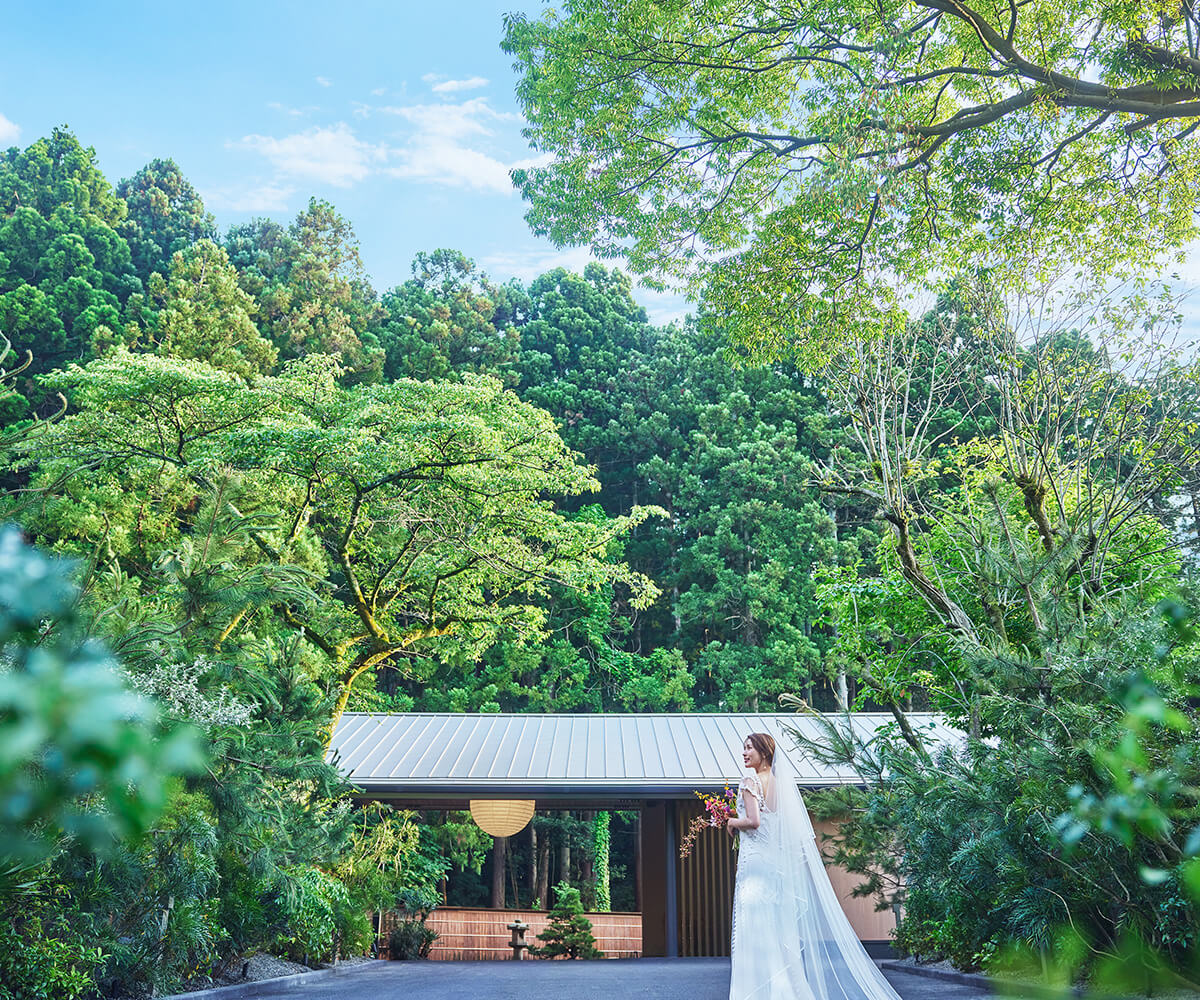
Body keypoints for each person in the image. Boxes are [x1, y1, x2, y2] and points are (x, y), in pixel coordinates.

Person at [725, 732, 904, 1000]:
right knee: (776, 929)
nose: (744, 753)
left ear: (764, 752)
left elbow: (754, 821)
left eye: (749, 748)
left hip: (755, 864)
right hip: (773, 864)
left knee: (755, 928)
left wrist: (730, 822)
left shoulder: (749, 780)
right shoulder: (777, 783)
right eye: (744, 748)